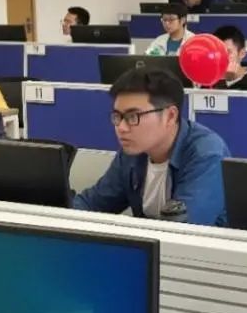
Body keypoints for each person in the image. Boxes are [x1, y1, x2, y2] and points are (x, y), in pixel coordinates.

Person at [72, 68, 231, 225]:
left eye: (133, 116)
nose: (121, 127)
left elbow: (183, 229)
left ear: (170, 116)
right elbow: (92, 204)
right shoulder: (132, 152)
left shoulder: (206, 154)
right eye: (117, 116)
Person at [211, 26, 247, 90]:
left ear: (242, 53)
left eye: (228, 52)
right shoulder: (209, 78)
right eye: (217, 52)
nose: (221, 57)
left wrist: (229, 81)